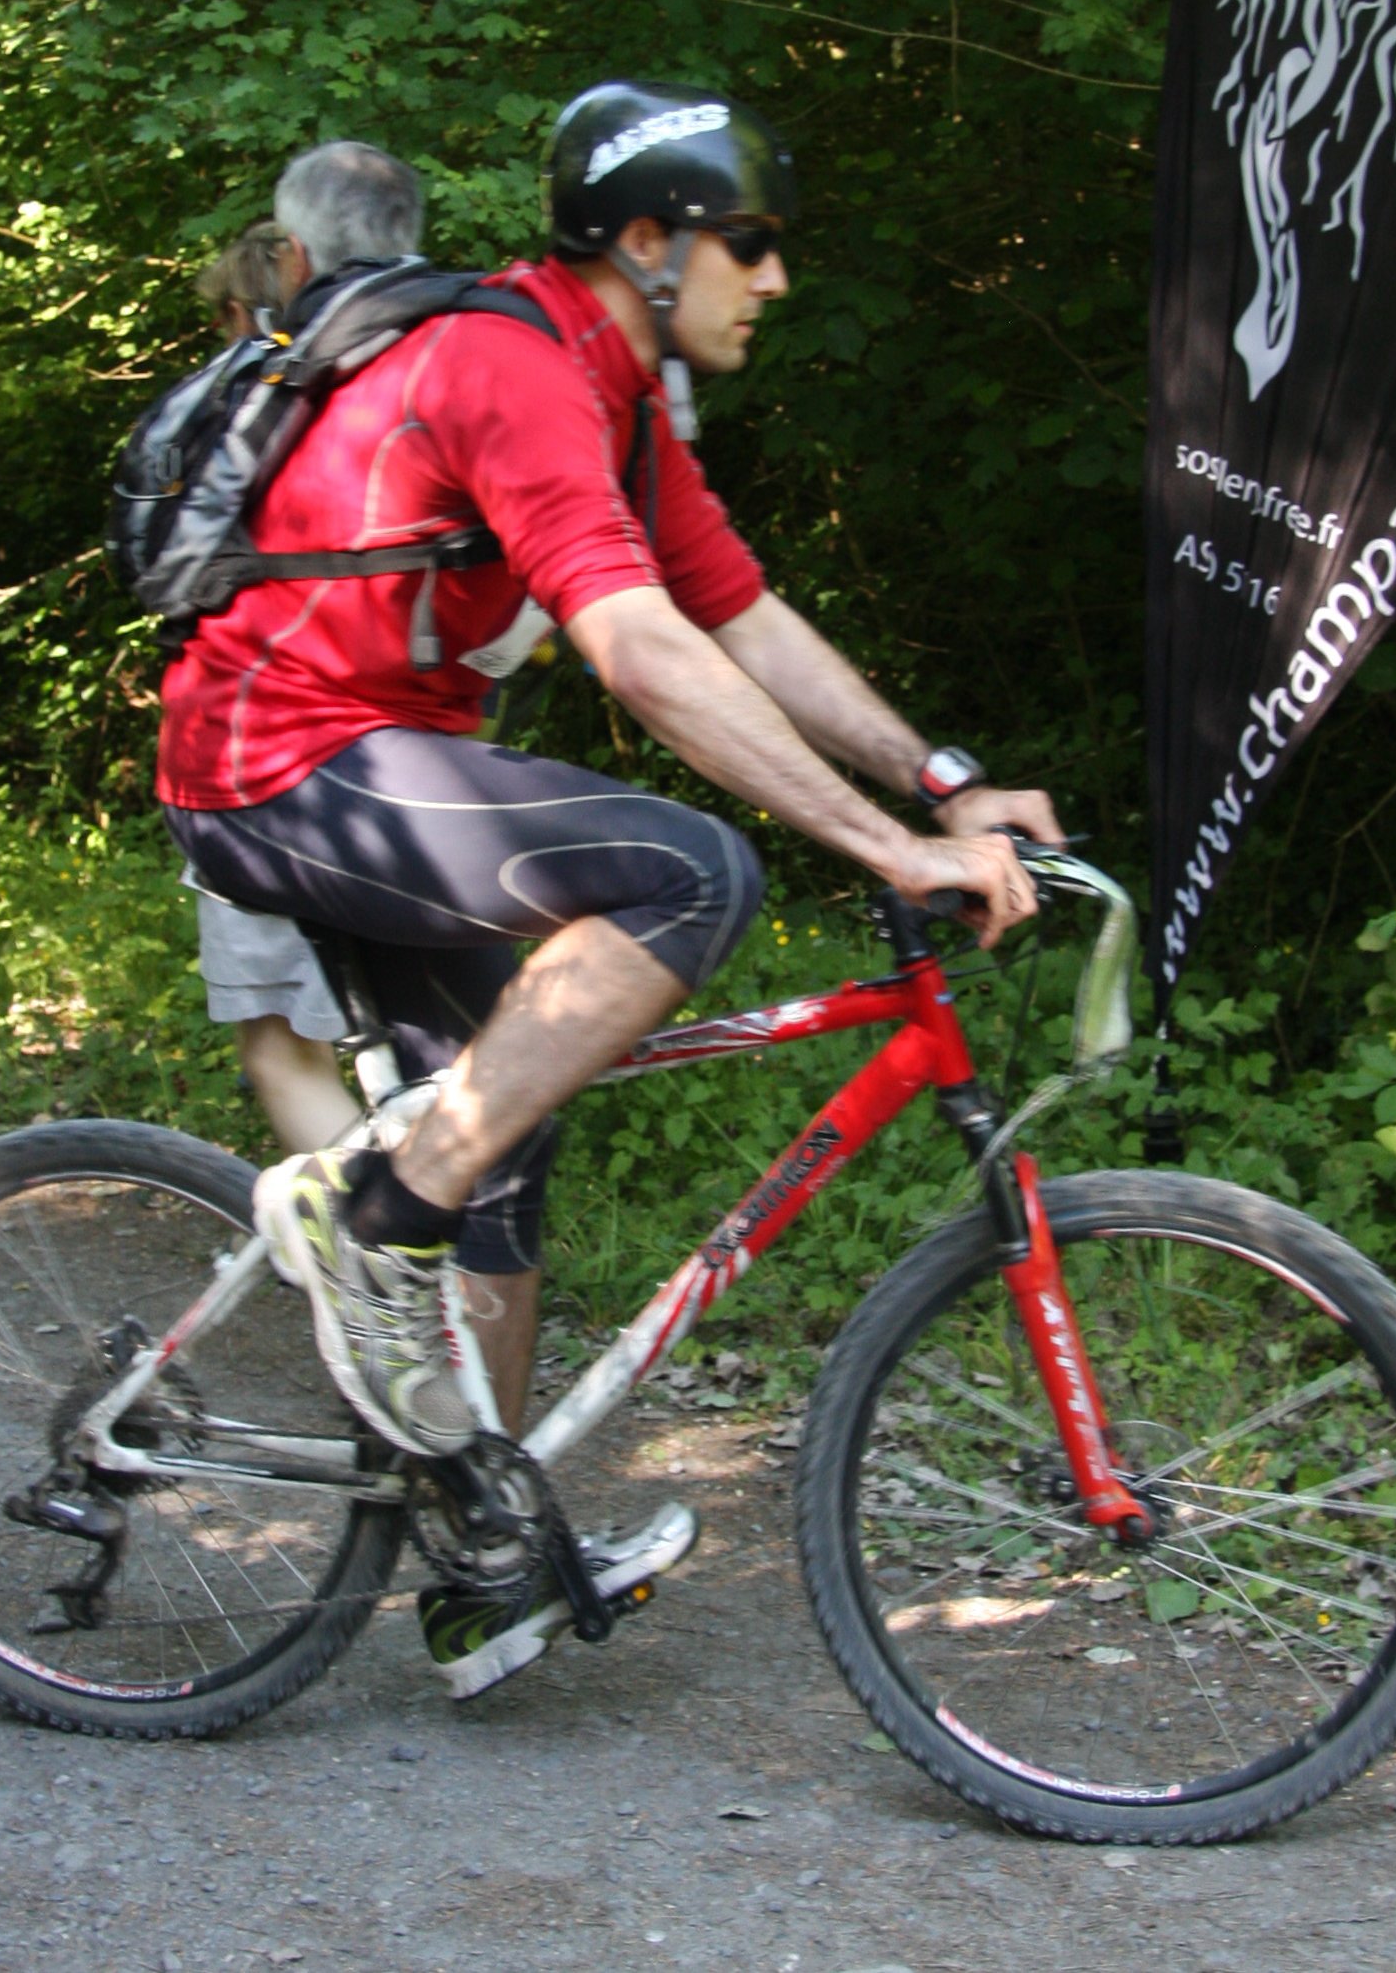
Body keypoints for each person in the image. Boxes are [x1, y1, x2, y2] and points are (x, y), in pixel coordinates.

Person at [156, 81, 1062, 1677]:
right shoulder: (510, 360)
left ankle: (480, 1554)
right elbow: (636, 648)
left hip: (375, 758)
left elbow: (739, 616)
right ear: (647, 239)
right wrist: (881, 847)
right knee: (689, 869)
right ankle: (369, 1218)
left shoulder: (616, 394)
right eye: (748, 243)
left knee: (496, 1150)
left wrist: (939, 782)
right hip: (279, 761)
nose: (774, 278)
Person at [183, 146, 556, 1429]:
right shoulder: (460, 358)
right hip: (429, 788)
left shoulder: (265, 396)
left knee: (283, 1045)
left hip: (264, 767)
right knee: (487, 1114)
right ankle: (481, 1448)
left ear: (284, 264)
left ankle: (363, 1238)